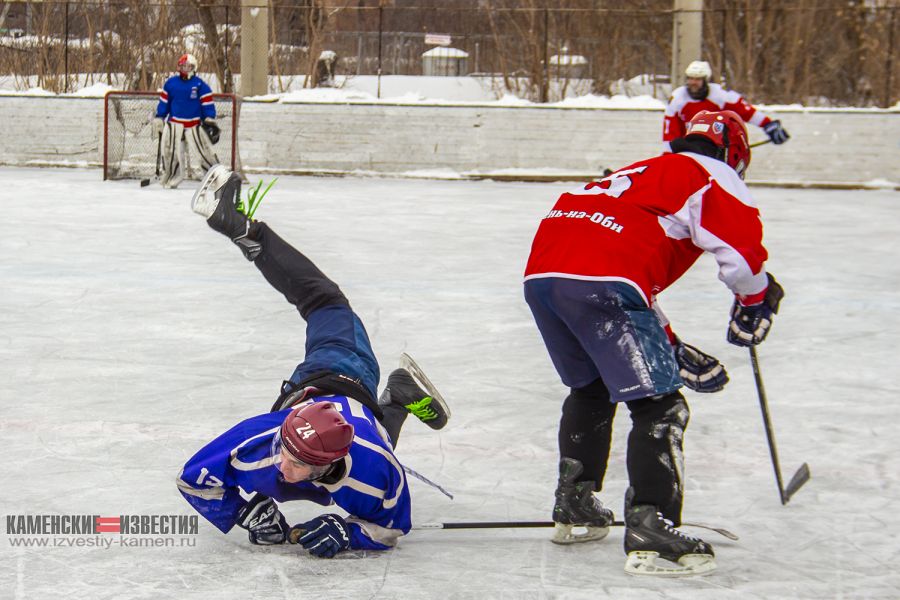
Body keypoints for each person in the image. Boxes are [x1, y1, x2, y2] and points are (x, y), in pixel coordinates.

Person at [523, 110, 784, 576]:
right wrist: (757, 298)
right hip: (605, 278)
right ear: (736, 156)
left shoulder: (644, 171)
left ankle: (575, 504)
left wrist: (670, 345)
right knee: (662, 408)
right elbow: (742, 256)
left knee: (592, 388)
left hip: (544, 275)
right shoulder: (713, 172)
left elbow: (622, 273)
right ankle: (653, 530)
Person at [176, 165, 451, 558]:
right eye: (284, 450)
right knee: (323, 301)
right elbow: (192, 479)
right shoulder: (260, 441)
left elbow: (391, 529)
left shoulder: (375, 469)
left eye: (297, 463)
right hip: (338, 368)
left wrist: (348, 532)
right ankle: (245, 231)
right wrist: (245, 512)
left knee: (377, 441)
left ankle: (396, 399)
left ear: (329, 464)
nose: (282, 467)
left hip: (351, 400)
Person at [663, 60, 789, 152]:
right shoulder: (677, 98)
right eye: (690, 79)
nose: (693, 83)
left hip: (717, 150)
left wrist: (768, 125)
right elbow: (670, 130)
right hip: (689, 151)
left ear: (706, 80)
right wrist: (669, 153)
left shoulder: (720, 95)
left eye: (697, 79)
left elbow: (746, 111)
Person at [153, 54, 221, 189]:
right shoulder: (171, 83)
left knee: (204, 153)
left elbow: (207, 103)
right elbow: (164, 102)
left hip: (194, 125)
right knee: (172, 154)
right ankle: (172, 178)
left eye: (187, 66)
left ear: (193, 68)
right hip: (174, 125)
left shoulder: (200, 85)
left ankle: (215, 177)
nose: (184, 69)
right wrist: (160, 117)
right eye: (182, 66)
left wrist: (209, 118)